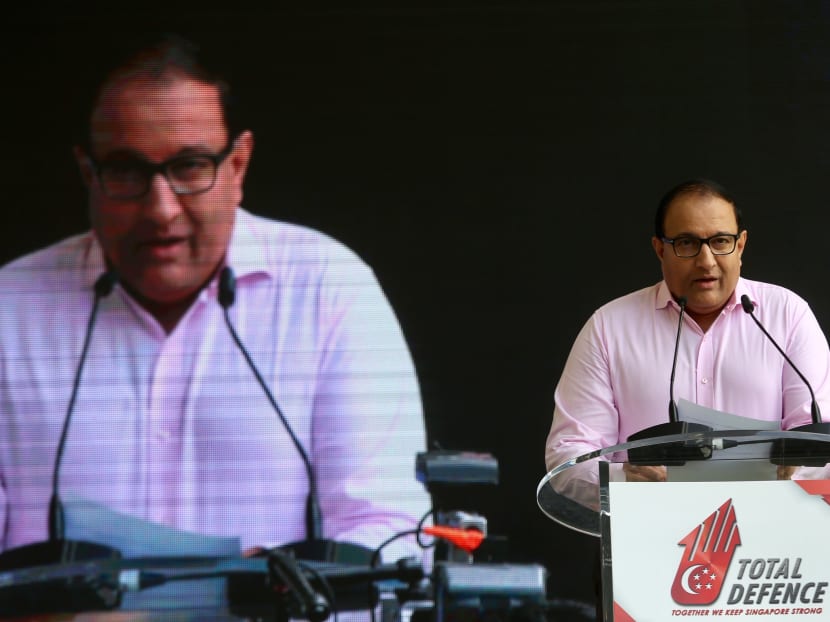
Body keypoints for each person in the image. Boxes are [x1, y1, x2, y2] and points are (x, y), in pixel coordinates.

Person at [0, 35, 431, 562]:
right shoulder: (11, 307)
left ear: (238, 165)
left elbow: (389, 531)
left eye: (188, 167)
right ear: (89, 174)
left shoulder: (328, 288)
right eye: (127, 172)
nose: (160, 210)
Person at [545, 178, 830, 483]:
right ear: (660, 249)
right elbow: (569, 453)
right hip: (650, 524)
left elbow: (820, 437)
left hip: (768, 525)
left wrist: (796, 469)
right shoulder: (609, 327)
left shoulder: (787, 315)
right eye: (687, 243)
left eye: (721, 241)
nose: (706, 261)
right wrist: (623, 478)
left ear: (741, 245)